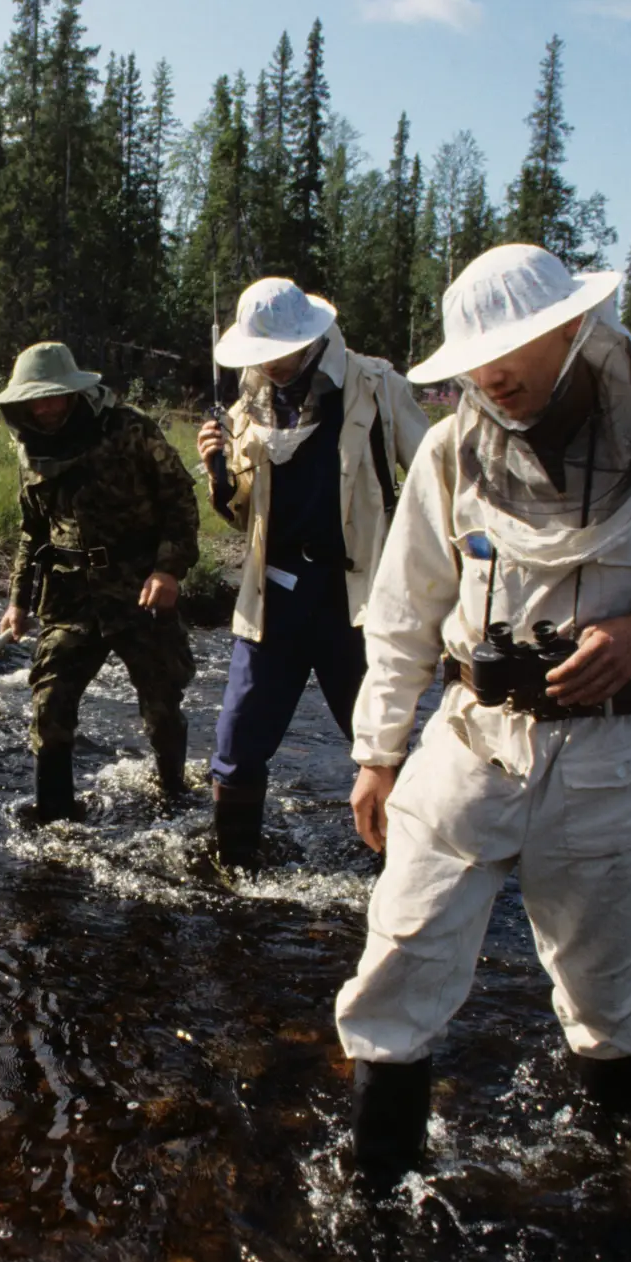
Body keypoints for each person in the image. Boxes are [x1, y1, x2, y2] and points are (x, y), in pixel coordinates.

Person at [331, 243, 631, 1182]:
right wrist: (377, 752)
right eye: (475, 362)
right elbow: (406, 607)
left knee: (610, 997)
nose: (493, 377)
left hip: (614, 761)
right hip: (467, 744)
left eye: (513, 352)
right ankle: (372, 1198)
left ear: (573, 329)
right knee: (396, 968)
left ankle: (616, 1189)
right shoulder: (452, 450)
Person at [197, 278, 430, 866]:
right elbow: (244, 512)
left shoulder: (375, 385)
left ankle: (409, 876)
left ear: (309, 339)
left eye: (279, 352)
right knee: (235, 745)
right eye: (260, 354)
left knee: (381, 747)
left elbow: (435, 480)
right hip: (273, 601)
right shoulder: (246, 405)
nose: (270, 365)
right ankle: (233, 877)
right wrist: (218, 475)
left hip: (357, 602)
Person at [0, 341, 202, 822]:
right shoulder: (30, 449)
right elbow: (34, 532)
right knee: (49, 704)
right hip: (71, 596)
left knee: (162, 707)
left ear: (72, 392)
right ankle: (54, 819)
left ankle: (175, 799)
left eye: (52, 396)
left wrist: (168, 569)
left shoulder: (130, 430)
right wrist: (18, 600)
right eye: (34, 399)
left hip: (139, 588)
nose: (44, 408)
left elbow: (181, 504)